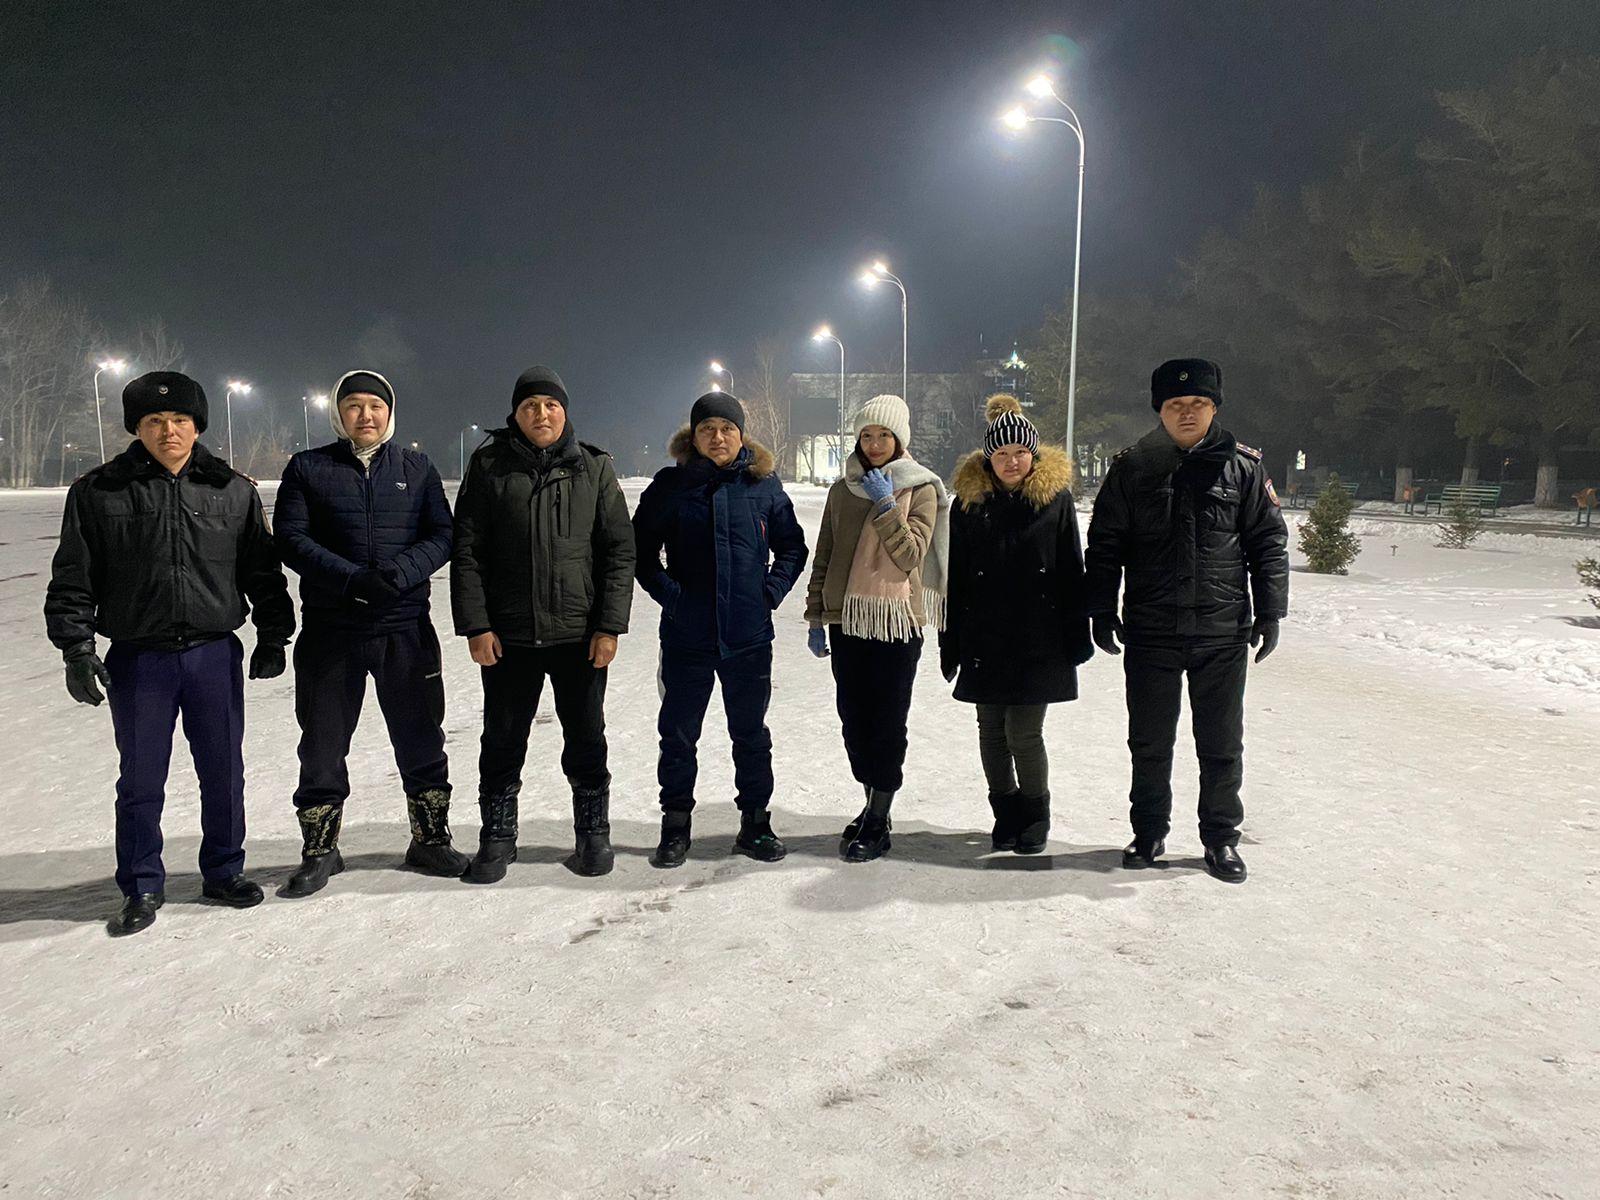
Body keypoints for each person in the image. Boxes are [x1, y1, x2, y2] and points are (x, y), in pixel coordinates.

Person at [44, 370, 294, 936]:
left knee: (223, 772)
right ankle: (141, 884)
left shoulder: (232, 490)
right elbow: (74, 577)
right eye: (154, 420)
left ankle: (224, 871)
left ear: (197, 425)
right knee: (140, 780)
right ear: (137, 427)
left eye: (180, 419)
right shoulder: (99, 492)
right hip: (139, 659)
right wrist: (76, 648)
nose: (169, 430)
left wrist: (274, 634)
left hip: (212, 654)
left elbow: (261, 571)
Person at [1084, 358, 1289, 882]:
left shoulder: (1244, 468)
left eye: (1198, 403)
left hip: (1222, 633)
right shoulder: (1132, 468)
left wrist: (1271, 611)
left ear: (1214, 407)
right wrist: (1101, 608)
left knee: (1221, 744)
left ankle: (1221, 839)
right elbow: (1105, 545)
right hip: (1151, 631)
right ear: (1161, 410)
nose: (1188, 412)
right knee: (1150, 742)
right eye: (1176, 404)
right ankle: (1149, 831)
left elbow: (1268, 543)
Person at [273, 370, 466, 896]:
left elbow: (442, 534)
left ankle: (430, 838)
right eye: (354, 405)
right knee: (322, 742)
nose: (366, 415)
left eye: (376, 406)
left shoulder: (417, 469)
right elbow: (290, 537)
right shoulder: (309, 468)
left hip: (404, 628)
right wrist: (350, 579)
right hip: (332, 631)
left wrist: (398, 575)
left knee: (421, 736)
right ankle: (320, 850)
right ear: (338, 413)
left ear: (390, 412)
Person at [451, 366, 635, 882]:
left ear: (565, 411)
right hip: (508, 637)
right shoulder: (489, 466)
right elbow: (467, 551)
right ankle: (497, 836)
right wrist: (476, 625)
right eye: (530, 405)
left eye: (551, 404)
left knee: (587, 736)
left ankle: (593, 833)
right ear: (515, 413)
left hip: (579, 636)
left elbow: (618, 551)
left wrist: (609, 626)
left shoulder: (593, 468)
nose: (541, 413)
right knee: (502, 739)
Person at [631, 391, 808, 867]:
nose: (718, 437)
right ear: (693, 436)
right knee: (678, 735)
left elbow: (793, 548)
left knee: (751, 734)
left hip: (748, 638)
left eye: (727, 428)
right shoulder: (670, 486)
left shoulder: (763, 486)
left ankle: (755, 823)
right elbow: (640, 554)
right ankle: (675, 826)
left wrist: (768, 594)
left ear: (741, 435)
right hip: (687, 637)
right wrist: (674, 599)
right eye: (707, 429)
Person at [941, 395, 1092, 854]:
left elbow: (1072, 568)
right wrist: (951, 642)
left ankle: (1035, 813)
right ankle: (1005, 811)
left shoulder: (1054, 502)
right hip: (983, 634)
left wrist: (1077, 633)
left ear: (1034, 455)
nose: (1011, 461)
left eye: (1021, 452)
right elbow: (956, 578)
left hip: (1038, 637)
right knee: (990, 730)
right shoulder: (967, 505)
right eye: (1002, 453)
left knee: (1023, 733)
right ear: (989, 457)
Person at [803, 394, 950, 862]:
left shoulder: (921, 488)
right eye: (867, 434)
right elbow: (825, 555)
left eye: (884, 434)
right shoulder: (842, 490)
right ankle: (872, 806)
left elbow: (910, 555)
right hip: (847, 621)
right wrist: (815, 615)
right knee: (854, 721)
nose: (874, 443)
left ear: (899, 438)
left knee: (886, 723)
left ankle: (878, 816)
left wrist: (887, 503)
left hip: (896, 624)